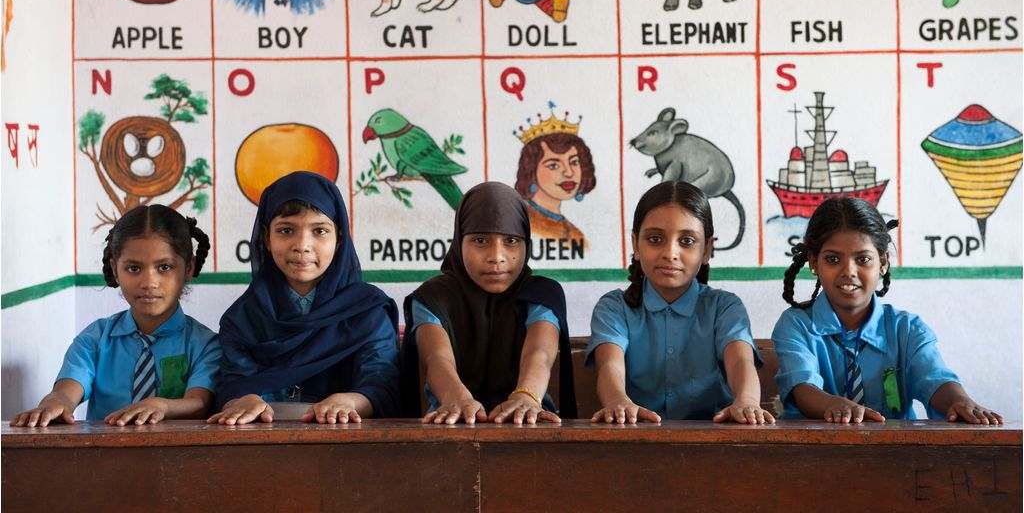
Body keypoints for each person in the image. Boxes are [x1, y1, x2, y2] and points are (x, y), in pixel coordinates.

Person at [773, 197, 1002, 424]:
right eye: (833, 259)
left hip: (893, 455)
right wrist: (834, 405)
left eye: (863, 259)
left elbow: (935, 378)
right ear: (814, 262)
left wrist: (960, 400)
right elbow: (803, 388)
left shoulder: (908, 330)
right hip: (812, 455)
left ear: (883, 262)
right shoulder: (796, 325)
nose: (849, 271)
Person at [210, 171, 399, 425]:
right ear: (266, 238)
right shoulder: (242, 318)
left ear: (339, 238)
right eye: (286, 230)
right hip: (261, 448)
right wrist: (244, 398)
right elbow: (233, 384)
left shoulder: (368, 311)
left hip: (349, 447)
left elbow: (381, 381)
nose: (302, 245)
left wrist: (352, 401)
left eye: (320, 230)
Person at [10, 205, 219, 427]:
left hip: (180, 459)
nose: (149, 283)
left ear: (188, 267)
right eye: (134, 268)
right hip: (100, 458)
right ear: (115, 268)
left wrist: (162, 406)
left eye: (164, 267)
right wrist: (55, 402)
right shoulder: (95, 339)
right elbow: (66, 392)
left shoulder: (205, 344)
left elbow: (199, 402)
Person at [587, 181, 771, 424]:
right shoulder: (614, 308)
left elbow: (740, 360)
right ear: (635, 244)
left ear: (706, 249)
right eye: (655, 239)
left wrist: (747, 400)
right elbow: (610, 364)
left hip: (713, 440)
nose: (670, 253)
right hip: (635, 436)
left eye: (687, 241)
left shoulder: (724, 307)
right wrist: (617, 401)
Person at [401, 181, 576, 424]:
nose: (496, 257)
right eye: (481, 241)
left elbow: (540, 353)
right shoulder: (432, 297)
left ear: (527, 243)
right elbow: (437, 358)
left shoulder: (543, 294)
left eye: (511, 241)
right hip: (451, 421)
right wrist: (457, 398)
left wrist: (526, 396)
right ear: (459, 240)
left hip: (529, 420)